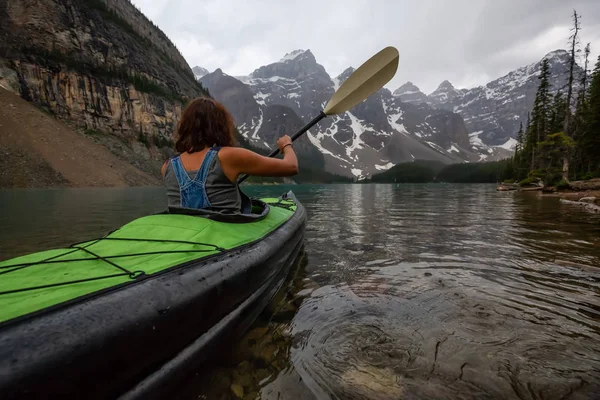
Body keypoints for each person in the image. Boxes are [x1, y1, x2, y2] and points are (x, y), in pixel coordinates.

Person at [161, 97, 298, 214]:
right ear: (220, 126)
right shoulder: (228, 156)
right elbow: (291, 167)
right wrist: (287, 145)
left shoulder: (167, 166)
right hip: (224, 238)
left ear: (185, 126)